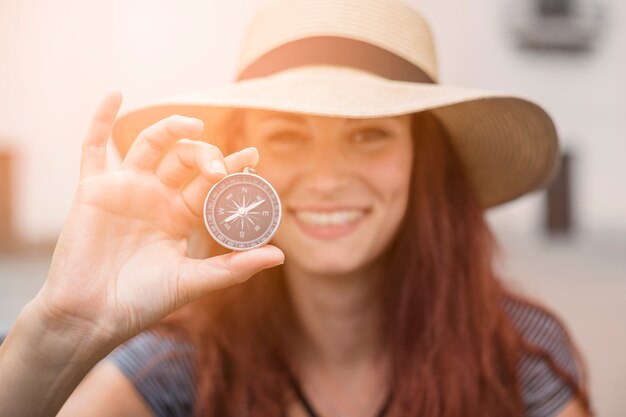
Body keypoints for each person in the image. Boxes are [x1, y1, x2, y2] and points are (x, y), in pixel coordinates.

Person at [0, 0, 593, 416]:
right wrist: (62, 329)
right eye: (287, 136)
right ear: (239, 163)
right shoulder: (183, 366)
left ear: (423, 160)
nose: (329, 178)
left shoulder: (513, 354)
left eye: (370, 134)